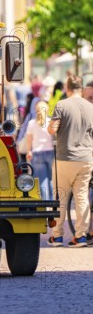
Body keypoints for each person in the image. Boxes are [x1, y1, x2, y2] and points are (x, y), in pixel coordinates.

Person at [47, 76, 93, 247]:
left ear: (67, 88)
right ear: (81, 89)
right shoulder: (90, 107)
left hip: (64, 158)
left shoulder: (62, 105)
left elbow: (53, 129)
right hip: (86, 159)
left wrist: (50, 127)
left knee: (61, 197)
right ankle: (81, 236)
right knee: (82, 197)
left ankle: (57, 236)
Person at [25, 100, 54, 200]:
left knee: (42, 181)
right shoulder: (51, 122)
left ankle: (45, 204)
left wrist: (29, 151)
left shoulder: (31, 123)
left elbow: (29, 140)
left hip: (37, 154)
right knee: (51, 179)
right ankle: (52, 202)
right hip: (50, 153)